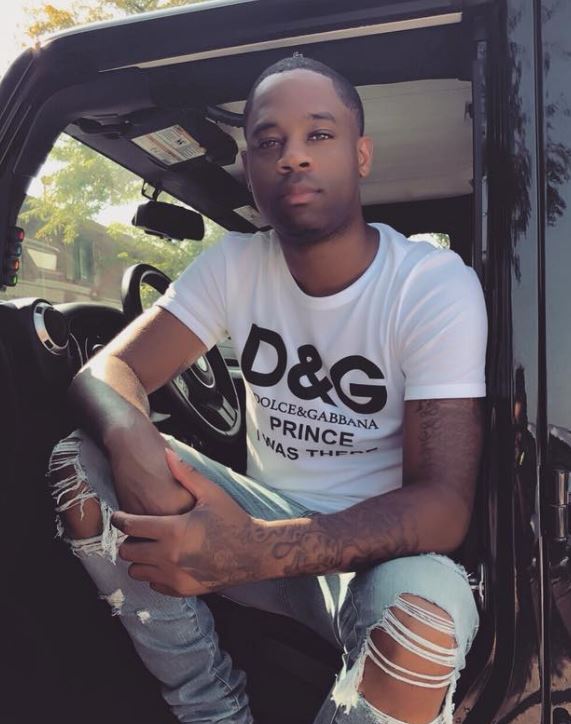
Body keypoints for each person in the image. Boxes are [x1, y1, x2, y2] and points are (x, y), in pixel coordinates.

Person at [49, 55, 486, 724]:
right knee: (82, 463)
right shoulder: (235, 264)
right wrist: (133, 440)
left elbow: (443, 507)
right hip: (250, 532)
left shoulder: (429, 285)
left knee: (424, 619)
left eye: (319, 134)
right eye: (268, 141)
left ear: (360, 155)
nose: (292, 156)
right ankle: (212, 709)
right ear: (250, 168)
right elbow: (109, 371)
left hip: (375, 557)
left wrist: (255, 548)